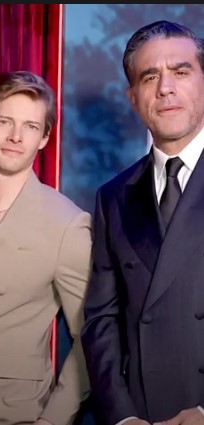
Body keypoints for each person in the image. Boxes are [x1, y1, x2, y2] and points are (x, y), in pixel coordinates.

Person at [82, 20, 204, 425]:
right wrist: (122, 416)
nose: (165, 88)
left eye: (181, 72)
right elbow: (101, 321)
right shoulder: (112, 197)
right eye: (150, 77)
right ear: (133, 98)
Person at [0, 71, 92, 425]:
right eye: (4, 121)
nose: (16, 136)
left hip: (12, 412)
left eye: (31, 126)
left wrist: (53, 420)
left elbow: (92, 338)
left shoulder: (66, 224)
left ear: (44, 138)